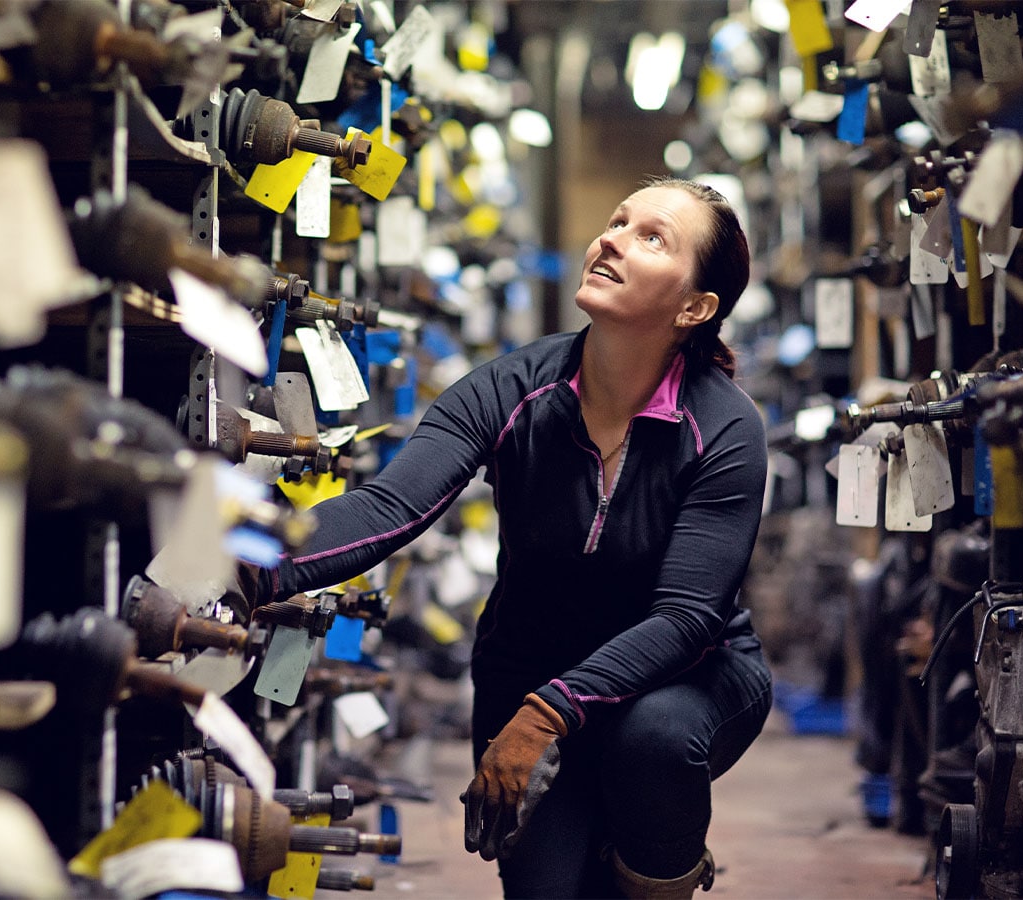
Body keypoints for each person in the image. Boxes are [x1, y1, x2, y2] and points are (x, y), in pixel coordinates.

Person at [253, 176, 773, 898]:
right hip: (530, 668)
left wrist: (546, 714)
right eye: (618, 221)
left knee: (652, 743)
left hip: (685, 681)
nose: (613, 239)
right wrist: (247, 567)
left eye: (653, 237)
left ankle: (661, 860)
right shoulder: (512, 389)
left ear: (695, 307)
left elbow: (685, 618)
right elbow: (388, 508)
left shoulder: (723, 427)